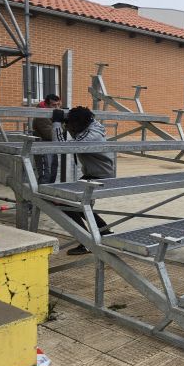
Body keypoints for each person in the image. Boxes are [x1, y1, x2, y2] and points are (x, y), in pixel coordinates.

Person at [62, 106, 115, 255]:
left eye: (73, 124)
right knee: (76, 205)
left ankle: (86, 242)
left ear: (80, 122)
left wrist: (62, 126)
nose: (71, 127)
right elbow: (76, 134)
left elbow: (72, 145)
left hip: (101, 176)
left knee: (66, 203)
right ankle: (105, 233)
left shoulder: (93, 135)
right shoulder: (89, 125)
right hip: (94, 173)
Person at [32, 94, 62, 184]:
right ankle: (41, 196)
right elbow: (51, 135)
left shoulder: (52, 114)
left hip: (51, 146)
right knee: (46, 174)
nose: (57, 108)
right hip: (43, 147)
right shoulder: (41, 116)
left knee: (53, 171)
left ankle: (49, 195)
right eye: (54, 105)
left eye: (58, 105)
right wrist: (59, 122)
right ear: (47, 105)